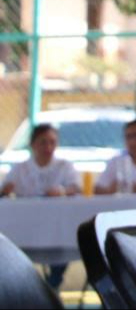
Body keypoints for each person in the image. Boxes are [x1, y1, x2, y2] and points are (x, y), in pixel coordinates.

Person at [1, 123, 81, 292]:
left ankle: (53, 282)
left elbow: (77, 188)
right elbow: (5, 190)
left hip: (57, 224)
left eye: (52, 142)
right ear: (33, 144)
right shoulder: (20, 168)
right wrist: (5, 191)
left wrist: (61, 191)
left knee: (64, 240)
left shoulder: (64, 166)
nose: (48, 147)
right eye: (43, 142)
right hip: (26, 224)